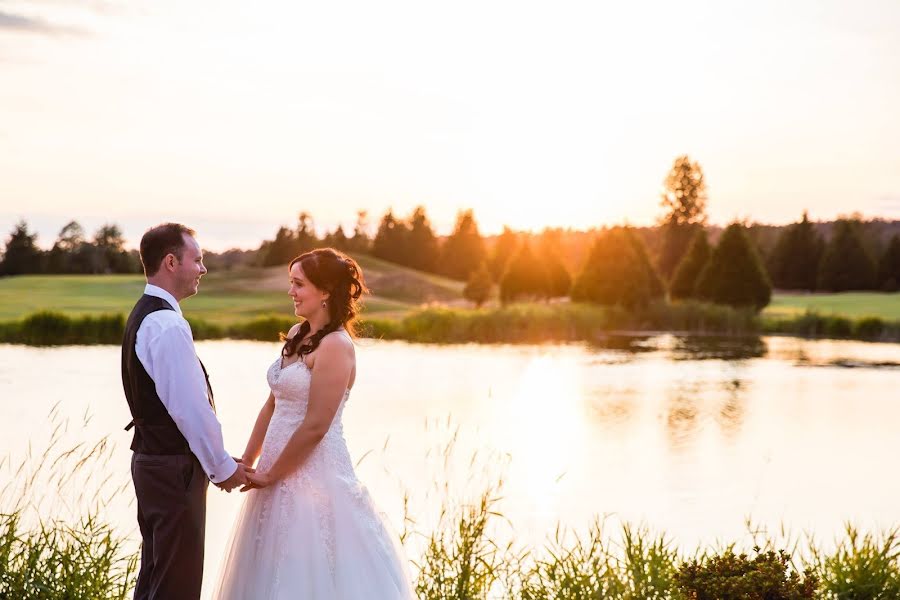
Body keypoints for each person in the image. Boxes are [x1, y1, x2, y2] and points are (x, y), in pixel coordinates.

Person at [212, 248, 415, 599]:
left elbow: (316, 426)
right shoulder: (296, 333)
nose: (291, 291)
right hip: (272, 476)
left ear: (325, 291)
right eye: (291, 283)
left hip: (315, 479)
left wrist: (273, 473)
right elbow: (271, 404)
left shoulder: (337, 346)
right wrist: (249, 461)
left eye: (298, 284)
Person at [122, 222, 249, 600]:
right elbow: (190, 410)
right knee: (176, 584)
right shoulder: (166, 324)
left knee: (158, 578)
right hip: (172, 468)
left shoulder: (147, 314)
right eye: (198, 259)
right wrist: (222, 468)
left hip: (153, 462)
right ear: (171, 262)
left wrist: (219, 461)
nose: (203, 268)